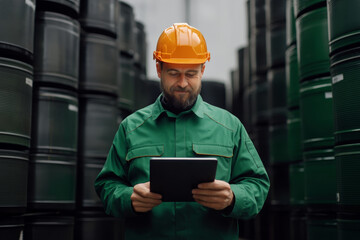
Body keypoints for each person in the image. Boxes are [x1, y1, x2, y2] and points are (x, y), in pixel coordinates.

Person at [95, 23, 270, 240]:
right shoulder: (131, 128)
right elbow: (106, 186)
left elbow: (258, 185)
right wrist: (128, 198)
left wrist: (233, 197)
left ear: (203, 70)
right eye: (174, 73)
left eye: (191, 73)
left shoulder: (229, 126)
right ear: (159, 69)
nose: (183, 83)